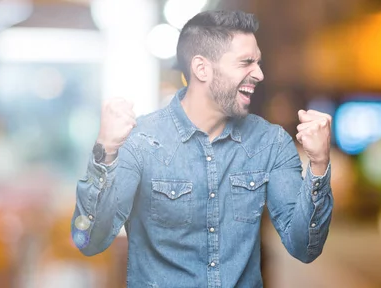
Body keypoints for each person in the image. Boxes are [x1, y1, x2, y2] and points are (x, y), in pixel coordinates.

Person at [71, 10, 333, 288]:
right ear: (202, 68)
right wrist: (105, 150)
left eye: (258, 62)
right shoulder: (141, 142)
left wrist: (319, 164)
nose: (259, 73)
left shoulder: (271, 142)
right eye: (246, 62)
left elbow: (305, 248)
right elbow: (89, 241)